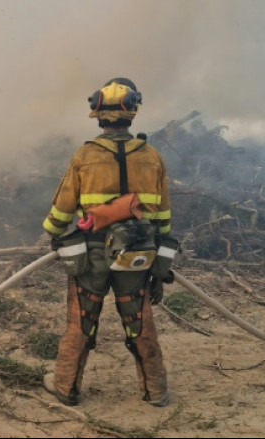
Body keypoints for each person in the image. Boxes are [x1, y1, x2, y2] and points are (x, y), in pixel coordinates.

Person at [41, 78, 179, 408]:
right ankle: (156, 390)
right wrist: (159, 262)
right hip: (137, 255)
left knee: (81, 321)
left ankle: (65, 386)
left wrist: (54, 235)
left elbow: (62, 209)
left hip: (92, 255)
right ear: (132, 114)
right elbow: (162, 216)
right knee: (139, 319)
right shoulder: (152, 157)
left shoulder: (85, 155)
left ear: (98, 115)